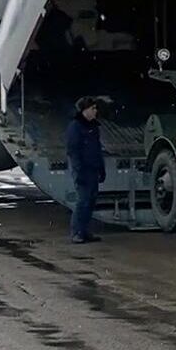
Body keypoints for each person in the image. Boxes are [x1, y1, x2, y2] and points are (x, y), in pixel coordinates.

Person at [65, 97, 107, 244]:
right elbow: (73, 151)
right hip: (83, 169)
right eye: (92, 108)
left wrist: (102, 168)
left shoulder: (93, 127)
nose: (95, 111)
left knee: (90, 201)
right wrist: (78, 171)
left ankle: (84, 231)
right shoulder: (75, 127)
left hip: (93, 168)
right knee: (82, 201)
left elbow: (97, 149)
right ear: (85, 110)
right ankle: (76, 232)